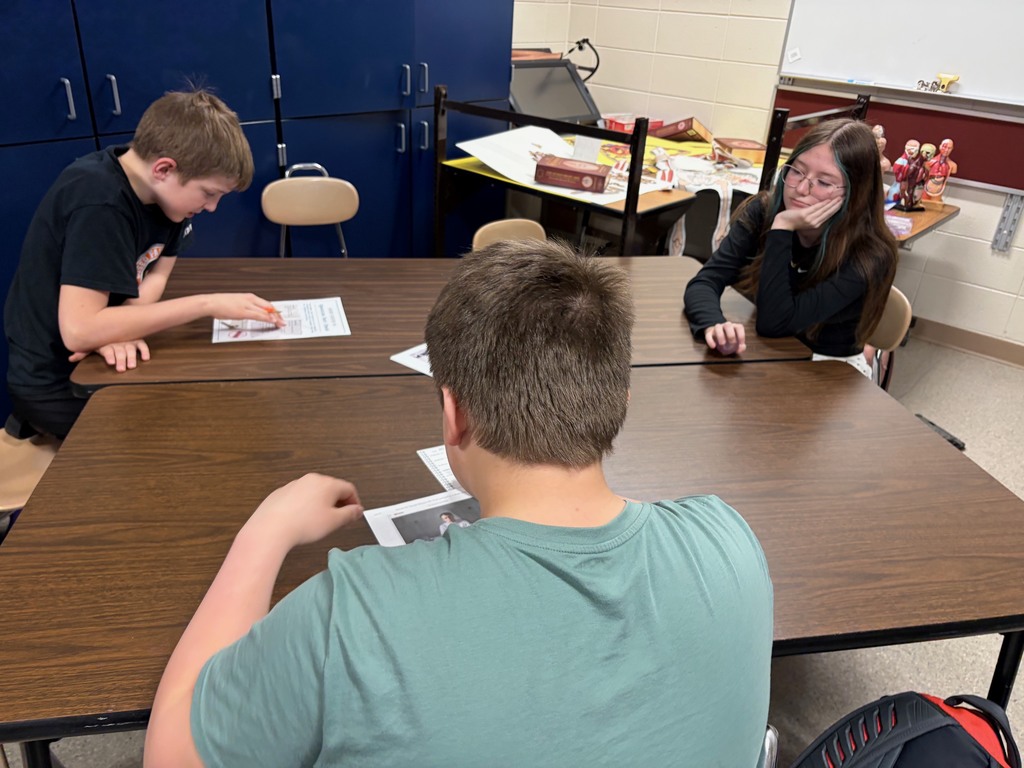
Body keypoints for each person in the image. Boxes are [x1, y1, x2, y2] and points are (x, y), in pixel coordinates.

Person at [145, 240, 774, 767]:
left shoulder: (352, 615)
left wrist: (266, 531)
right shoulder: (730, 541)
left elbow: (169, 756)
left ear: (454, 414)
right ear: (620, 404)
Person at [3, 88, 285, 439]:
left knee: (220, 405)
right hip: (56, 383)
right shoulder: (99, 202)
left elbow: (157, 273)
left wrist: (120, 327)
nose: (212, 207)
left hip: (101, 355)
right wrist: (208, 303)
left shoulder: (169, 197)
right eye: (210, 193)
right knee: (189, 434)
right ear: (164, 168)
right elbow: (77, 331)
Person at [683, 118, 898, 376]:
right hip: (767, 351)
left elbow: (775, 322)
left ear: (856, 193)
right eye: (797, 171)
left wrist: (782, 227)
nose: (800, 189)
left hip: (828, 369)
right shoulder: (762, 211)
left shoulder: (870, 254)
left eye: (824, 182)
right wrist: (712, 325)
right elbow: (705, 281)